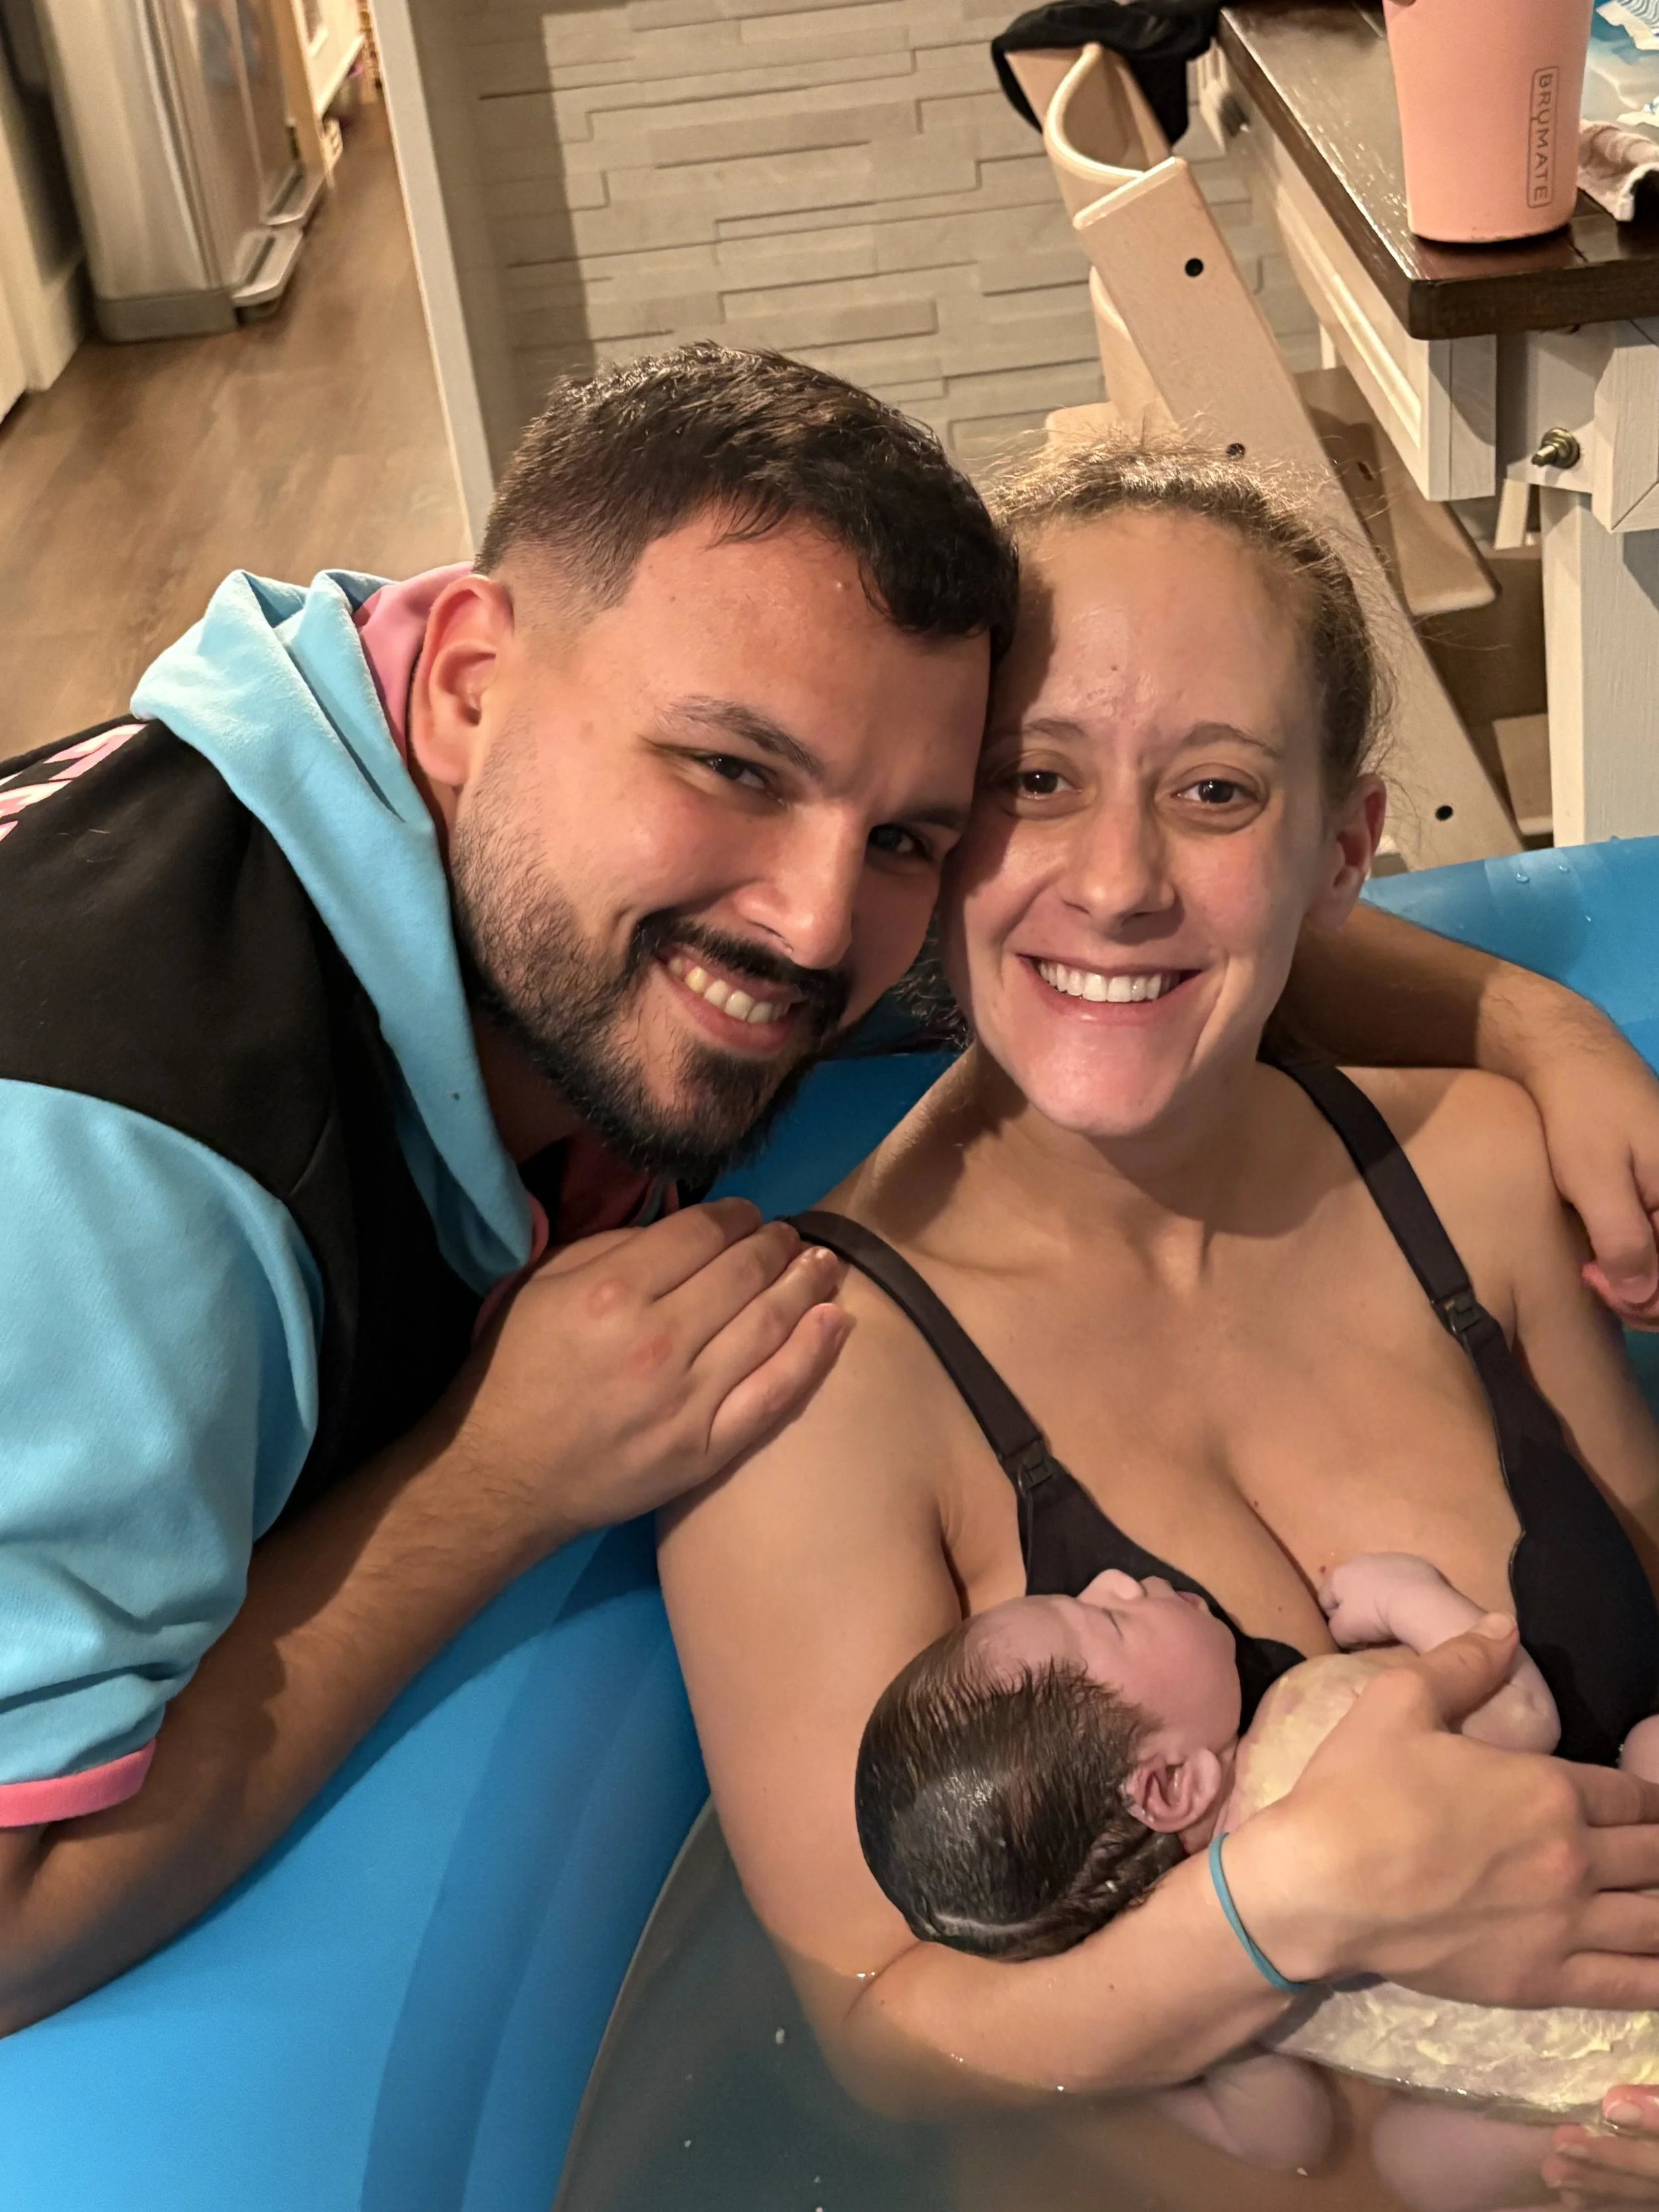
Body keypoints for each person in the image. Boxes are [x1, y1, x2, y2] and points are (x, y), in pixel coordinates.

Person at [2, 360, 1658, 2053]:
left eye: (904, 837)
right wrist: (487, 1481)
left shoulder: (622, 827)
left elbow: (1143, 925)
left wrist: (1539, 1026)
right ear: (464, 687)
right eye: (734, 768)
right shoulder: (107, 1165)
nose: (810, 928)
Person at [657, 436, 1659, 2208]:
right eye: (1036, 780)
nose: (1116, 879)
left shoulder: (1484, 1174)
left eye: (1213, 791)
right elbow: (888, 2035)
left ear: (1343, 847)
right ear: (937, 833)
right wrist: (1286, 1914)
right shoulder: (812, 1385)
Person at [855, 1551, 1659, 2207]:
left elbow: (1289, 2139)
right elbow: (1523, 1714)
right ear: (1170, 1784)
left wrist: (1154, 2073)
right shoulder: (1310, 1722)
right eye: (1108, 1619)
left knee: (1413, 2162)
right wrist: (1405, 1595)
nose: (1112, 1580)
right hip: (1637, 1929)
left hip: (1602, 2100)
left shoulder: (1224, 2002)